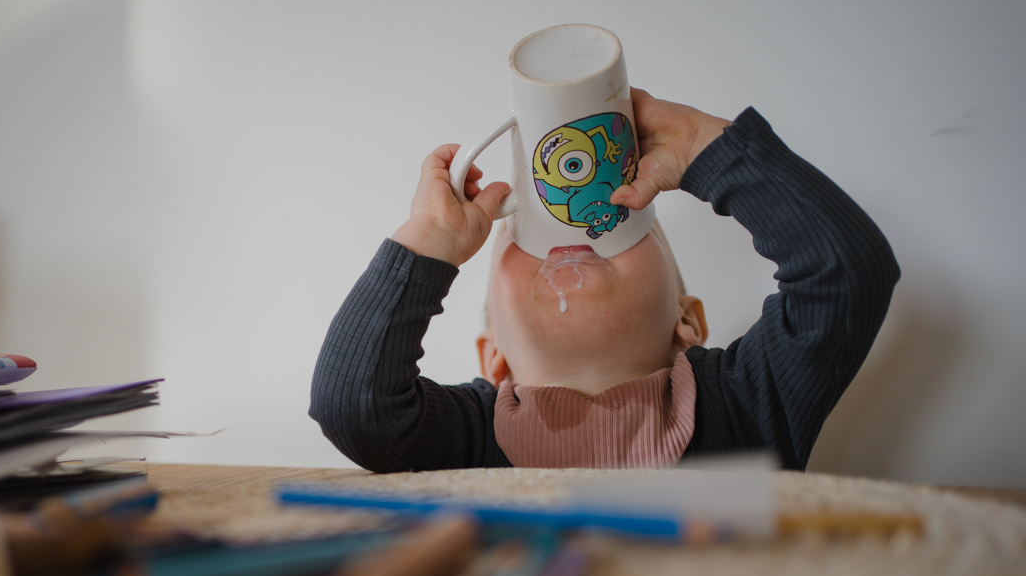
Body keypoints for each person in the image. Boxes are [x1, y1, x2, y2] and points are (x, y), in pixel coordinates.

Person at [309, 89, 899, 472]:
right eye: (528, 240)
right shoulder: (471, 435)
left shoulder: (746, 402)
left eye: (617, 226)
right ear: (495, 357)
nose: (572, 235)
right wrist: (430, 245)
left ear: (687, 321)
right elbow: (353, 410)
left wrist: (707, 148)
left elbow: (847, 273)